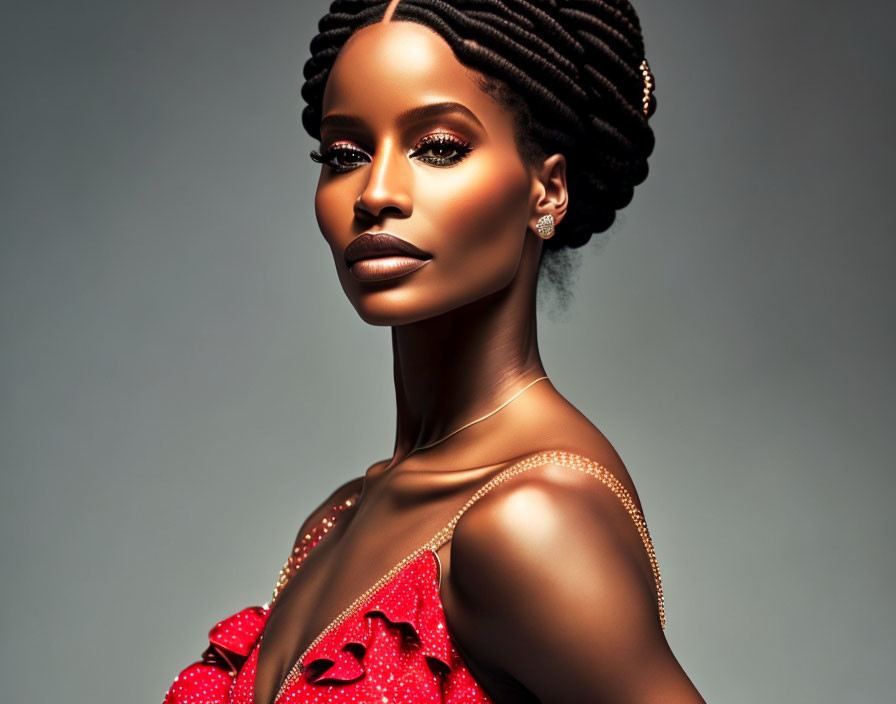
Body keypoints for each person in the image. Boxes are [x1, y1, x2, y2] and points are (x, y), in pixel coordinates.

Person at [165, 0, 703, 701]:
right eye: (346, 155)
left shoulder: (532, 519)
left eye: (439, 147)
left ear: (548, 189)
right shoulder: (339, 517)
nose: (376, 193)